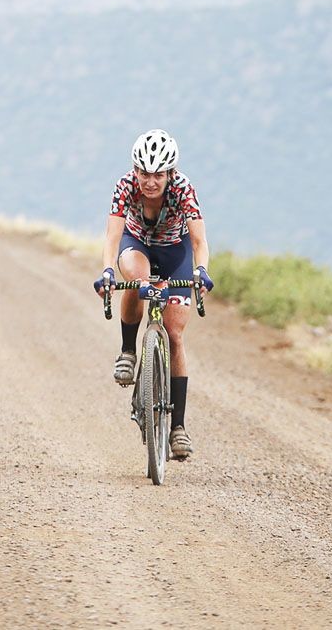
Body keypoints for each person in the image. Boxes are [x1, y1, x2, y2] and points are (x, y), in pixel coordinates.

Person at [93, 129, 213, 461]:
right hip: (138, 245)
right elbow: (112, 239)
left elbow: (200, 242)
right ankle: (129, 352)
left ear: (169, 173)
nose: (150, 181)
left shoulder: (183, 189)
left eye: (157, 174)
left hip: (176, 253)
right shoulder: (125, 187)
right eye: (144, 173)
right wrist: (106, 270)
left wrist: (200, 272)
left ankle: (178, 428)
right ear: (135, 171)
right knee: (138, 280)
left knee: (174, 334)